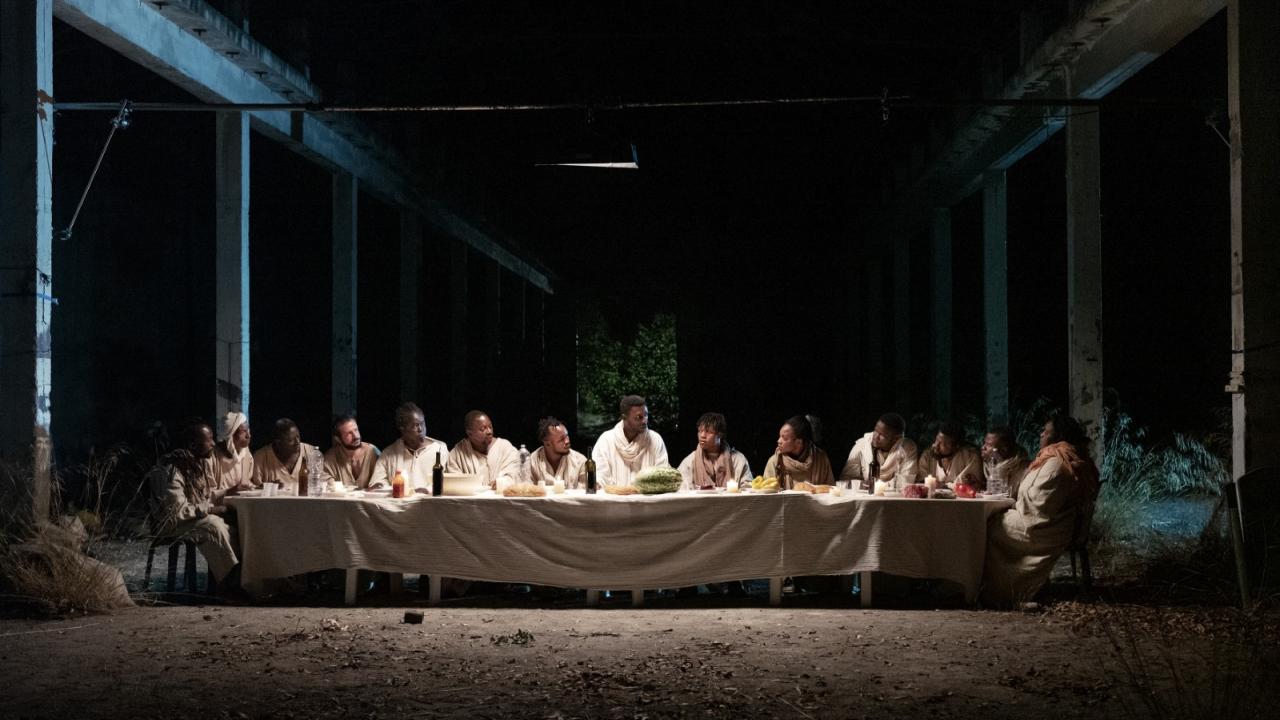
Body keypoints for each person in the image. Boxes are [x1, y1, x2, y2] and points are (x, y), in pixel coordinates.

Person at [983, 414, 1101, 606]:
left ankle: (1003, 591)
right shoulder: (1055, 459)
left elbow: (1039, 507)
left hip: (1045, 528)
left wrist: (1013, 503)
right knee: (990, 521)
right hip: (1048, 520)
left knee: (986, 528)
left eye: (1045, 431)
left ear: (1058, 436)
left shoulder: (1058, 464)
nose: (1041, 434)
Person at [146, 419, 241, 590]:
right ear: (193, 445)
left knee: (233, 524)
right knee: (213, 526)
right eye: (209, 439)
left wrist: (229, 493)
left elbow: (205, 496)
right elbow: (176, 513)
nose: (213, 443)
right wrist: (211, 509)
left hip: (190, 519)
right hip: (171, 524)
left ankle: (229, 583)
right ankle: (227, 586)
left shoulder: (197, 463)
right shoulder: (171, 470)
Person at [591, 395, 669, 486]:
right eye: (639, 417)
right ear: (624, 417)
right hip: (614, 498)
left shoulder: (655, 440)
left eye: (646, 415)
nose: (644, 421)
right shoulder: (606, 440)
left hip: (646, 499)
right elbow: (599, 476)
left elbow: (663, 474)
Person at [370, 402, 449, 491]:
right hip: (399, 503)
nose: (421, 429)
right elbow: (378, 481)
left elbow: (447, 481)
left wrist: (427, 490)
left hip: (430, 503)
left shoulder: (439, 449)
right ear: (402, 428)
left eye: (422, 423)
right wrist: (382, 486)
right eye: (415, 425)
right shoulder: (389, 453)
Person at [839, 413, 919, 489]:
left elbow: (905, 481)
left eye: (881, 435)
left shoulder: (907, 449)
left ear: (895, 439)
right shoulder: (862, 445)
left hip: (893, 498)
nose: (875, 436)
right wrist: (862, 485)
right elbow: (847, 479)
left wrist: (877, 487)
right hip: (864, 495)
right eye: (875, 430)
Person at [446, 410, 521, 489]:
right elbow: (455, 482)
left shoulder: (505, 447)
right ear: (469, 433)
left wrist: (503, 482)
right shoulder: (457, 454)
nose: (489, 431)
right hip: (472, 500)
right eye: (483, 429)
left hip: (500, 499)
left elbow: (515, 471)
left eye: (490, 427)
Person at [677, 412, 752, 488]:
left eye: (708, 432)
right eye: (700, 431)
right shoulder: (690, 461)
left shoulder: (738, 460)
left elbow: (748, 489)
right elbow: (680, 488)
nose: (702, 435)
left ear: (720, 434)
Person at [251, 418, 329, 489]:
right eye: (291, 440)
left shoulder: (311, 452)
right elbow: (253, 488)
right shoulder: (261, 457)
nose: (297, 442)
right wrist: (269, 486)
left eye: (298, 437)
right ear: (278, 443)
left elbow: (325, 480)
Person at [763, 414, 834, 488]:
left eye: (784, 438)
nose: (778, 441)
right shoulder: (775, 461)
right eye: (779, 436)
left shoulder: (820, 459)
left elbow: (831, 490)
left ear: (798, 442)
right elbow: (767, 494)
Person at [916, 421, 983, 489]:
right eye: (936, 440)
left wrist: (944, 486)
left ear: (956, 446)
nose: (935, 445)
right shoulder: (927, 456)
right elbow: (922, 481)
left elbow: (969, 485)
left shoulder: (970, 456)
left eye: (942, 443)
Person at [323, 412, 380, 489]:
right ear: (338, 439)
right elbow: (325, 483)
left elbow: (381, 481)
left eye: (356, 430)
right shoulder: (330, 458)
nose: (356, 436)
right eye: (348, 434)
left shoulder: (372, 452)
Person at [529, 416, 588, 488]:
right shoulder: (532, 462)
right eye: (561, 439)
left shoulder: (580, 461)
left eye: (567, 436)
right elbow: (526, 490)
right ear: (547, 444)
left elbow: (584, 494)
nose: (567, 441)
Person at [212, 411, 254, 502]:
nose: (249, 435)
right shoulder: (213, 457)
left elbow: (246, 484)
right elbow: (207, 496)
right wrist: (231, 491)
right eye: (244, 431)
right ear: (231, 436)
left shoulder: (246, 455)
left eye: (248, 430)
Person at [981, 425, 1029, 496]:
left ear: (1003, 450)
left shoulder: (1023, 469)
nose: (983, 447)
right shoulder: (989, 465)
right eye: (984, 443)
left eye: (989, 445)